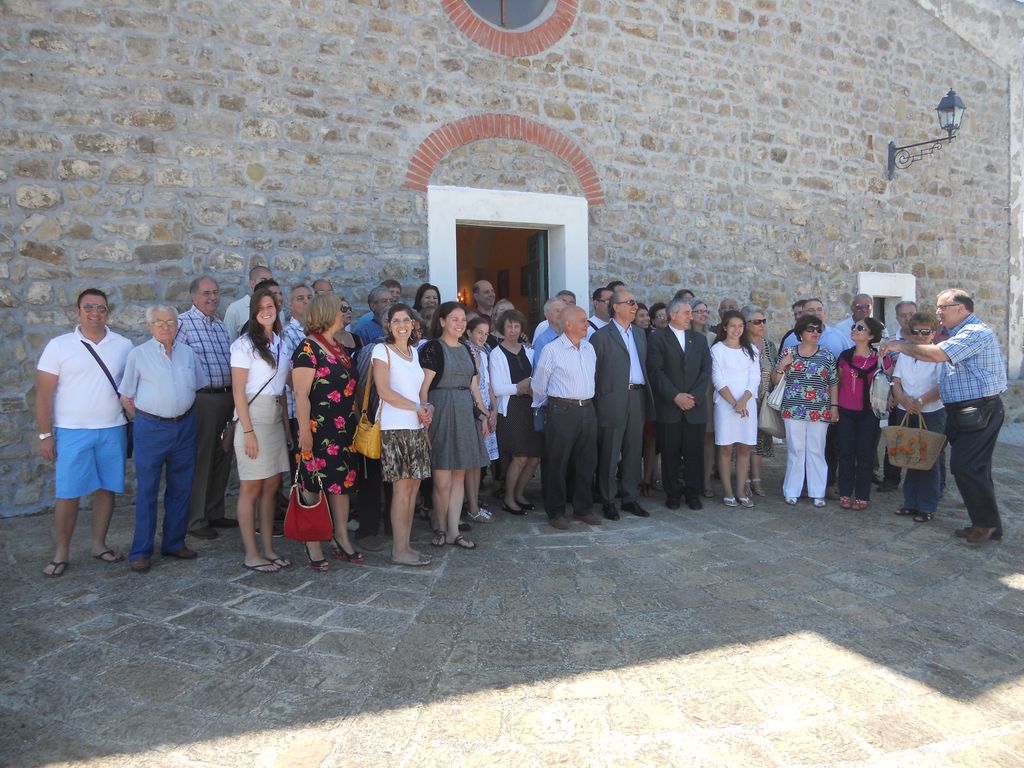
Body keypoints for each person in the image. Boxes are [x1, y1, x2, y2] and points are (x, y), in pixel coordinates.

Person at [880, 289, 1007, 543]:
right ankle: (988, 524)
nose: (938, 312)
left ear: (961, 308)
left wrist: (899, 345)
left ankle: (985, 524)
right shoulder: (960, 333)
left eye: (942, 307)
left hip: (978, 410)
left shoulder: (974, 332)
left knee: (965, 467)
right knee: (976, 468)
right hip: (964, 411)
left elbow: (938, 354)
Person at [36, 289, 134, 577]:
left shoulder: (124, 345)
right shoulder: (59, 346)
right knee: (68, 493)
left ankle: (99, 545)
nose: (95, 313)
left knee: (106, 489)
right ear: (77, 311)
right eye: (89, 307)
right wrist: (45, 435)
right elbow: (43, 394)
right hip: (72, 431)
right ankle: (61, 552)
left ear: (108, 312)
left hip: (112, 429)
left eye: (101, 308)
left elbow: (131, 387)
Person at [118, 305, 203, 573]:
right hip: (151, 429)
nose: (165, 326)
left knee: (181, 486)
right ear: (149, 326)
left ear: (177, 324)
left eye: (170, 321)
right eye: (159, 322)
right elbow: (126, 396)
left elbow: (197, 387)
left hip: (184, 426)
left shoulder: (188, 353)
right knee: (147, 490)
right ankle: (141, 551)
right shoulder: (138, 355)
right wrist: (150, 417)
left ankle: (174, 542)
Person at [292, 293, 362, 571]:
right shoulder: (308, 348)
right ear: (326, 313)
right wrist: (305, 433)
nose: (344, 313)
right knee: (314, 485)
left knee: (341, 484)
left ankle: (340, 536)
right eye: (339, 309)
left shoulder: (337, 346)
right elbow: (300, 394)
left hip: (342, 429)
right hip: (318, 429)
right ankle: (313, 543)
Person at [230, 287, 292, 573]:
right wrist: (248, 432)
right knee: (251, 487)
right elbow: (238, 392)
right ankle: (251, 554)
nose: (267, 311)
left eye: (271, 306)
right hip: (253, 419)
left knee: (271, 486)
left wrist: (287, 428)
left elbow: (284, 389)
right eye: (261, 307)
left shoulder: (281, 343)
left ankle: (268, 548)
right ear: (254, 312)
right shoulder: (243, 345)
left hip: (275, 419)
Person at [420, 303, 490, 549]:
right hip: (440, 411)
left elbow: (474, 388)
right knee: (442, 480)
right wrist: (424, 420)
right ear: (442, 321)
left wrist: (483, 415)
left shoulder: (468, 350)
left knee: (459, 476)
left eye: (462, 319)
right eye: (454, 319)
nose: (460, 324)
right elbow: (423, 389)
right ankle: (440, 527)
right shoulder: (432, 348)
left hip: (464, 413)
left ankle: (453, 531)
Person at [372, 304, 434, 565]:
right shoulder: (382, 350)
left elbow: (417, 393)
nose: (401, 325)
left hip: (415, 428)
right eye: (396, 320)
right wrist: (417, 407)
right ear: (388, 325)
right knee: (401, 490)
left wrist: (426, 407)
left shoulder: (414, 353)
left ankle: (406, 546)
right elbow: (384, 391)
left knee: (413, 488)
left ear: (413, 324)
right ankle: (399, 550)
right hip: (394, 428)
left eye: (406, 320)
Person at [176, 276, 237, 540]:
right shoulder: (183, 324)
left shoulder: (220, 326)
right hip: (203, 400)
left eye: (215, 292)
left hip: (226, 397)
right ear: (194, 297)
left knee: (223, 454)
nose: (212, 297)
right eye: (206, 293)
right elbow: (175, 362)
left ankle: (215, 511)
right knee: (202, 458)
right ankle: (196, 518)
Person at [531, 306, 602, 529]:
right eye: (582, 320)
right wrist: (551, 405)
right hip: (561, 410)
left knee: (586, 462)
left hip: (587, 409)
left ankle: (583, 508)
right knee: (557, 462)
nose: (587, 324)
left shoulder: (589, 348)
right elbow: (539, 385)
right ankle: (556, 512)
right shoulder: (552, 350)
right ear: (568, 324)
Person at [591, 288, 653, 519]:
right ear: (616, 307)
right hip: (612, 399)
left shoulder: (639, 334)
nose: (635, 307)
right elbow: (594, 373)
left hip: (637, 397)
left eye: (635, 302)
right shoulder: (600, 337)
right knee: (610, 451)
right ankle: (607, 499)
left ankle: (629, 498)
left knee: (633, 450)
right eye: (630, 302)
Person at [646, 297, 712, 511]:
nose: (690, 317)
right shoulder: (657, 338)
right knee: (670, 453)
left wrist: (693, 397)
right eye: (686, 313)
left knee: (694, 453)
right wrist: (675, 396)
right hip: (669, 407)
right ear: (672, 314)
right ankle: (672, 493)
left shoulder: (699, 340)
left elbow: (706, 371)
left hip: (695, 407)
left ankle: (693, 493)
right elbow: (656, 372)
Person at [771, 314, 839, 507]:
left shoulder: (827, 355)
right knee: (796, 450)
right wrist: (783, 365)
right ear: (800, 332)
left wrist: (834, 407)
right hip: (793, 409)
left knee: (816, 450)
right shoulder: (789, 352)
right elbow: (775, 381)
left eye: (818, 329)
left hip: (820, 409)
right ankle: (791, 491)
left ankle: (818, 493)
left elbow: (833, 383)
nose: (815, 332)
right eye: (810, 329)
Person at [889, 312, 945, 523]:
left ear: (933, 333)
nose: (920, 336)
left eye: (925, 332)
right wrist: (903, 400)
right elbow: (896, 381)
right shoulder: (905, 354)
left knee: (929, 459)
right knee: (910, 456)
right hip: (906, 410)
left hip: (931, 413)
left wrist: (920, 401)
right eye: (915, 331)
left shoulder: (939, 355)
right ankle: (910, 502)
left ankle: (927, 506)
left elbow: (941, 386)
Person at [490, 308, 543, 515]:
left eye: (516, 326)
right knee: (519, 457)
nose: (513, 330)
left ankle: (520, 494)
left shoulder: (529, 351)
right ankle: (509, 498)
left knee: (533, 458)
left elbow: (537, 377)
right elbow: (497, 388)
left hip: (531, 408)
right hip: (511, 410)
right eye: (509, 326)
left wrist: (530, 386)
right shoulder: (496, 354)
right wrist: (520, 388)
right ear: (502, 328)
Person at [835, 317, 892, 510]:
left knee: (865, 454)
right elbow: (839, 382)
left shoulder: (880, 358)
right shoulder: (845, 356)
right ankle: (845, 492)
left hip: (870, 413)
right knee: (845, 453)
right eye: (854, 326)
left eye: (860, 328)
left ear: (871, 335)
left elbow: (889, 381)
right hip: (846, 412)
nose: (855, 329)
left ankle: (862, 494)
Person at [711, 310, 761, 508]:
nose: (737, 329)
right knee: (725, 447)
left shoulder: (751, 350)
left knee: (744, 447)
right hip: (725, 404)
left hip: (747, 404)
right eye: (733, 325)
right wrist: (734, 403)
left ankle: (740, 490)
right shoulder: (717, 350)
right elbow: (717, 378)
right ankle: (728, 491)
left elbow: (755, 377)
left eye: (740, 326)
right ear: (725, 327)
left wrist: (743, 401)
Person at [878, 300, 919, 492]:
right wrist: (893, 396)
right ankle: (891, 478)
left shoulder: (929, 340)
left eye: (911, 314)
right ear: (897, 318)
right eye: (903, 315)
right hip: (896, 399)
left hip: (923, 401)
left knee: (927, 440)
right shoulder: (890, 342)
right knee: (894, 439)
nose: (908, 318)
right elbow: (885, 371)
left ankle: (934, 482)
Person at [742, 304, 777, 497]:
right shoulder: (739, 344)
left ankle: (756, 479)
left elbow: (775, 372)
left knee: (760, 440)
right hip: (744, 400)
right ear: (746, 323)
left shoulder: (769, 346)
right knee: (744, 441)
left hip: (763, 401)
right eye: (756, 322)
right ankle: (744, 479)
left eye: (763, 321)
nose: (761, 324)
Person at [465, 317, 498, 523]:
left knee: (480, 462)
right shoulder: (468, 352)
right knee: (473, 461)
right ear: (469, 332)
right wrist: (483, 411)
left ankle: (474, 501)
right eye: (479, 332)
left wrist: (494, 409)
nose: (483, 337)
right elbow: (474, 384)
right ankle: (471, 505)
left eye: (486, 334)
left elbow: (489, 383)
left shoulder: (485, 351)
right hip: (475, 408)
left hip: (486, 406)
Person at [690, 298, 718, 497]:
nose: (703, 314)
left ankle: (706, 480)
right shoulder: (684, 336)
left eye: (705, 311)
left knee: (708, 437)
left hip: (708, 392)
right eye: (698, 311)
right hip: (689, 392)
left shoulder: (713, 338)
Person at [224, 264, 273, 340]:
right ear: (251, 283)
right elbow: (229, 341)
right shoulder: (235, 309)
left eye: (271, 281)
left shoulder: (277, 310)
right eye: (263, 280)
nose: (268, 285)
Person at [531, 296, 567, 366]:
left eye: (563, 311)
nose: (561, 314)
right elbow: (540, 369)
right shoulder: (542, 341)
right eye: (557, 311)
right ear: (546, 314)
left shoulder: (571, 336)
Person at [333, 296, 363, 362]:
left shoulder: (356, 338)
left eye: (350, 309)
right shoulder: (328, 338)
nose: (349, 311)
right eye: (344, 309)